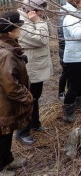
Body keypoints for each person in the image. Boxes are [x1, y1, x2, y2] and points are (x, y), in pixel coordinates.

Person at [16, 0, 53, 145]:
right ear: (33, 10)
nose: (43, 13)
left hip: (37, 65)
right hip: (30, 67)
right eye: (41, 10)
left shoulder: (35, 19)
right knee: (28, 99)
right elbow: (41, 39)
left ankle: (35, 123)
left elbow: (49, 32)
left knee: (35, 97)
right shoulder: (21, 22)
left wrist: (41, 20)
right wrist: (38, 21)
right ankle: (21, 132)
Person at [0, 11, 33, 175]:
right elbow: (10, 85)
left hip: (5, 101)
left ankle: (8, 160)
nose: (20, 30)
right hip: (4, 102)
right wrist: (27, 97)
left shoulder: (9, 47)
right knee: (3, 134)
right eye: (18, 27)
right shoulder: (6, 53)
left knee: (6, 133)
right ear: (9, 32)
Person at [57, 5, 68, 100]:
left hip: (70, 51)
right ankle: (61, 92)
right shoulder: (62, 21)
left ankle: (68, 89)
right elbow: (62, 40)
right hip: (65, 51)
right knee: (65, 73)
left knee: (71, 73)